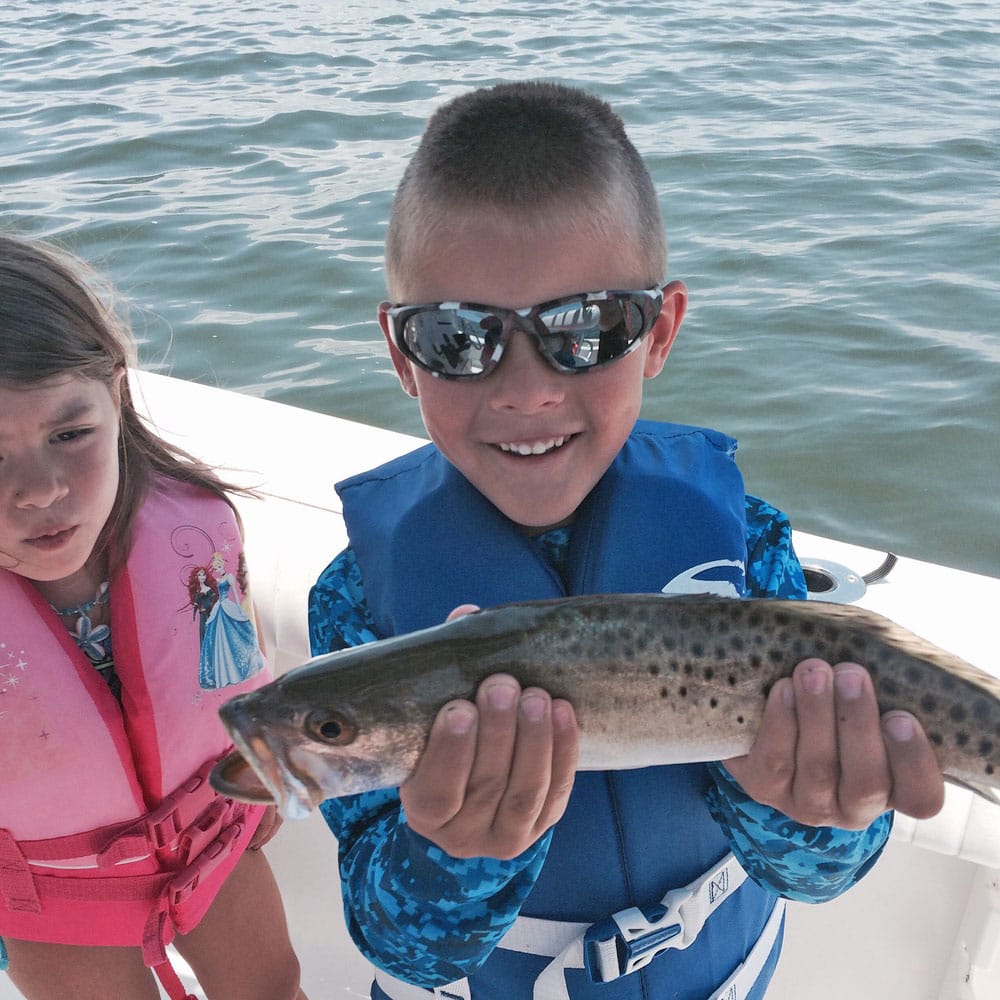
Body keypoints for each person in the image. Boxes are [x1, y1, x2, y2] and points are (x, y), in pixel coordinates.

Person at [308, 82, 945, 1000]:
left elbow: (822, 874)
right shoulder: (358, 604)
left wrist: (803, 812)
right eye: (459, 339)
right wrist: (455, 856)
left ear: (660, 331)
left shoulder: (750, 547)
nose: (525, 390)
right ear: (403, 354)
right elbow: (402, 947)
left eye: (585, 329)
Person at [0, 235, 307, 1000]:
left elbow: (238, 658)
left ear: (117, 394)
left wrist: (261, 771)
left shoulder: (193, 528)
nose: (39, 490)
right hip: (55, 892)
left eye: (70, 435)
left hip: (213, 835)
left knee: (275, 988)